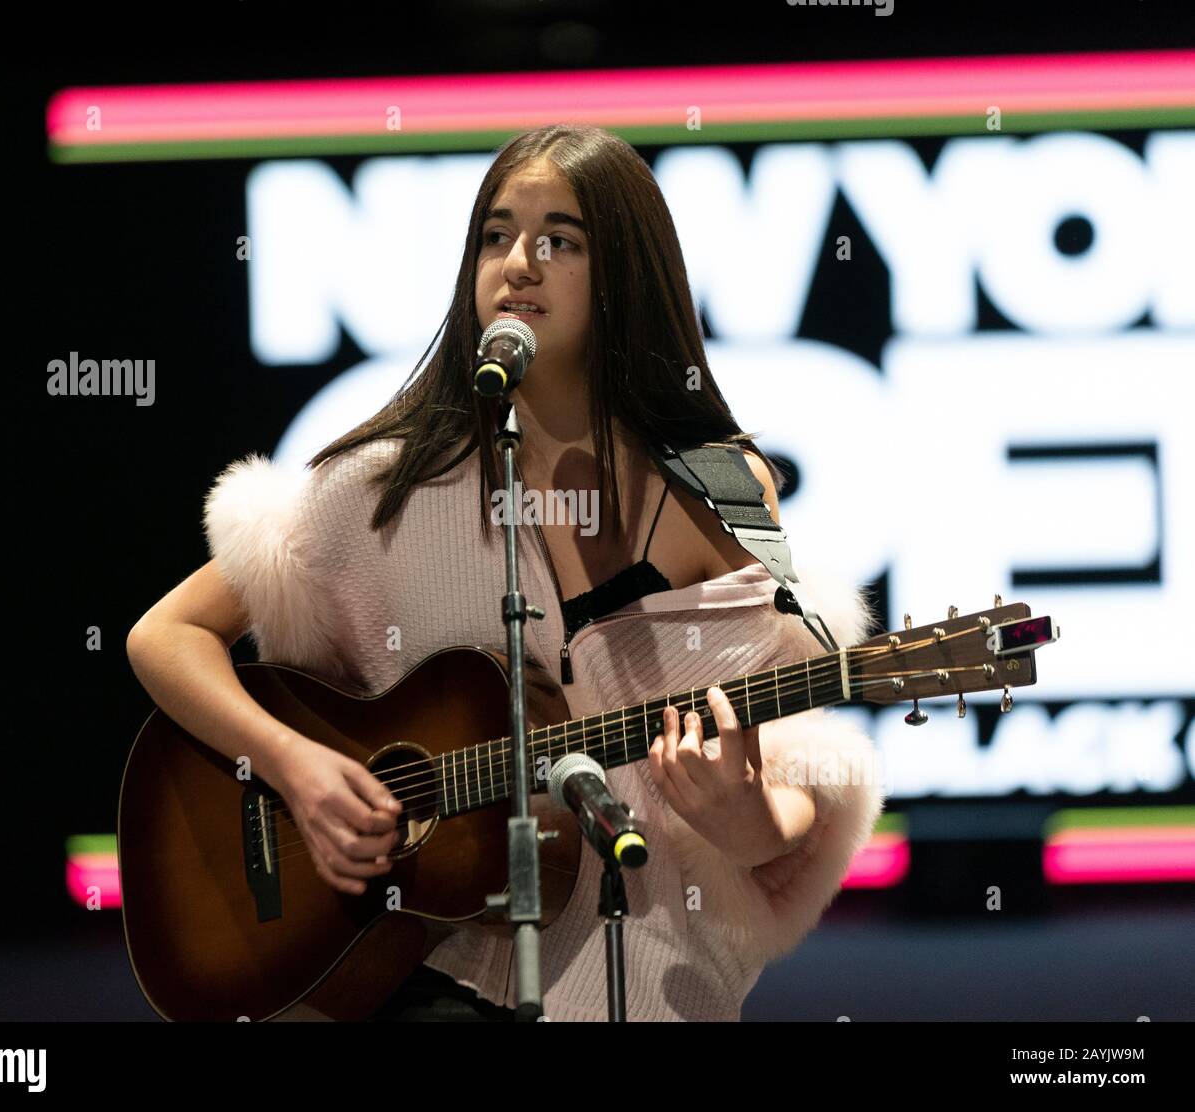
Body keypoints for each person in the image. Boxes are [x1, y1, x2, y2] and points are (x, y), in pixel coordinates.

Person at [126, 124, 883, 1022]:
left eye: (559, 240)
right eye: (496, 235)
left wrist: (750, 820)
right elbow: (163, 636)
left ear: (626, 274)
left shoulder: (719, 486)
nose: (519, 262)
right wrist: (297, 769)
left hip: (649, 976)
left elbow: (785, 768)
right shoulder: (384, 487)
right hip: (424, 971)